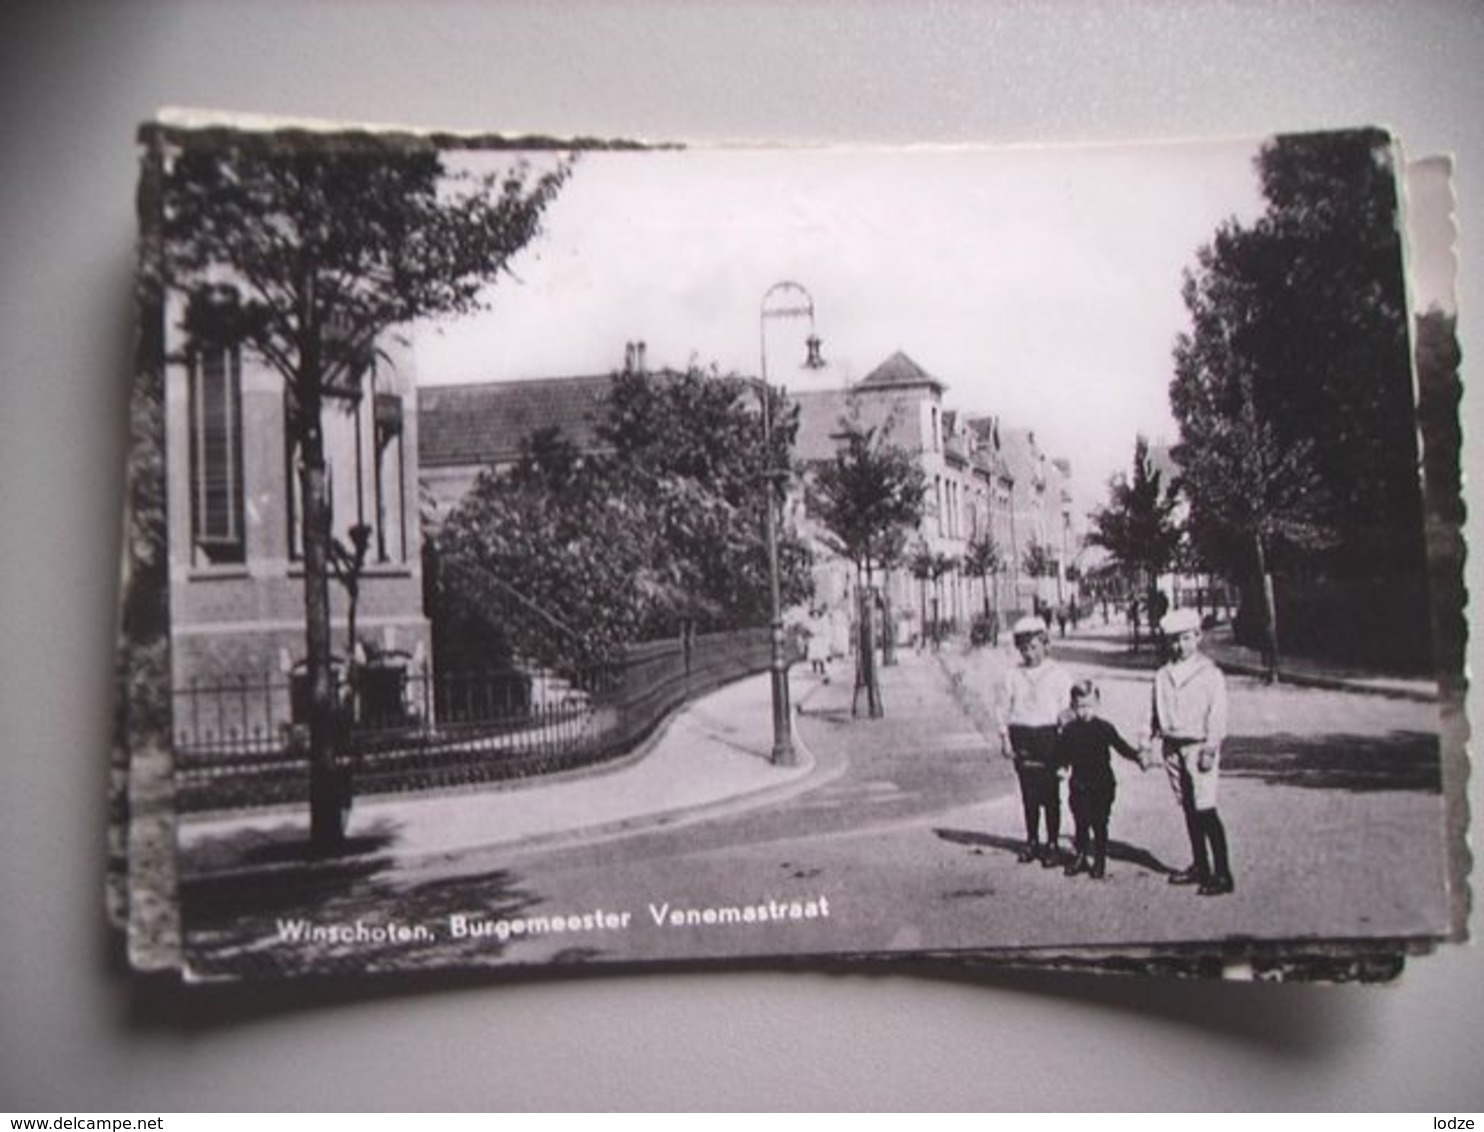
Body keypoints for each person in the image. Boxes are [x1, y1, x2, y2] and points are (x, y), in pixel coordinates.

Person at [1149, 607, 1235, 896]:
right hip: (1172, 746)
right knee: (1188, 808)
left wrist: (1211, 746)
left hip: (1199, 747)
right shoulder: (1162, 674)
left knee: (1205, 809)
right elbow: (1154, 712)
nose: (1179, 646)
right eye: (1173, 640)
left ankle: (1223, 874)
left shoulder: (1210, 673)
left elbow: (1217, 713)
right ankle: (1201, 865)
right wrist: (1146, 742)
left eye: (1185, 638)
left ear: (1197, 637)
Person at [996, 615, 1073, 867]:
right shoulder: (1012, 675)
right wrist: (1005, 738)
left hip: (1048, 735)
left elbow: (1067, 708)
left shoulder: (1059, 674)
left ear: (1045, 644)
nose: (1029, 653)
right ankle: (1031, 840)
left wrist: (1066, 741)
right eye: (1024, 648)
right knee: (1029, 793)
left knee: (1050, 793)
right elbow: (1003, 708)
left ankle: (1052, 843)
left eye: (1034, 647)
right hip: (1023, 735)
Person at [1056, 679, 1148, 879]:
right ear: (1072, 706)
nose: (1084, 711)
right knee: (1080, 821)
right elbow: (1063, 753)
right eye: (1079, 706)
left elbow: (1121, 746)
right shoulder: (1069, 730)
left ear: (1097, 704)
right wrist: (1062, 766)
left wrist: (1137, 756)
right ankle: (1080, 857)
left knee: (1099, 822)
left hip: (1102, 783)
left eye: (1089, 706)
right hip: (1079, 784)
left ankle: (1099, 860)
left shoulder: (1104, 728)